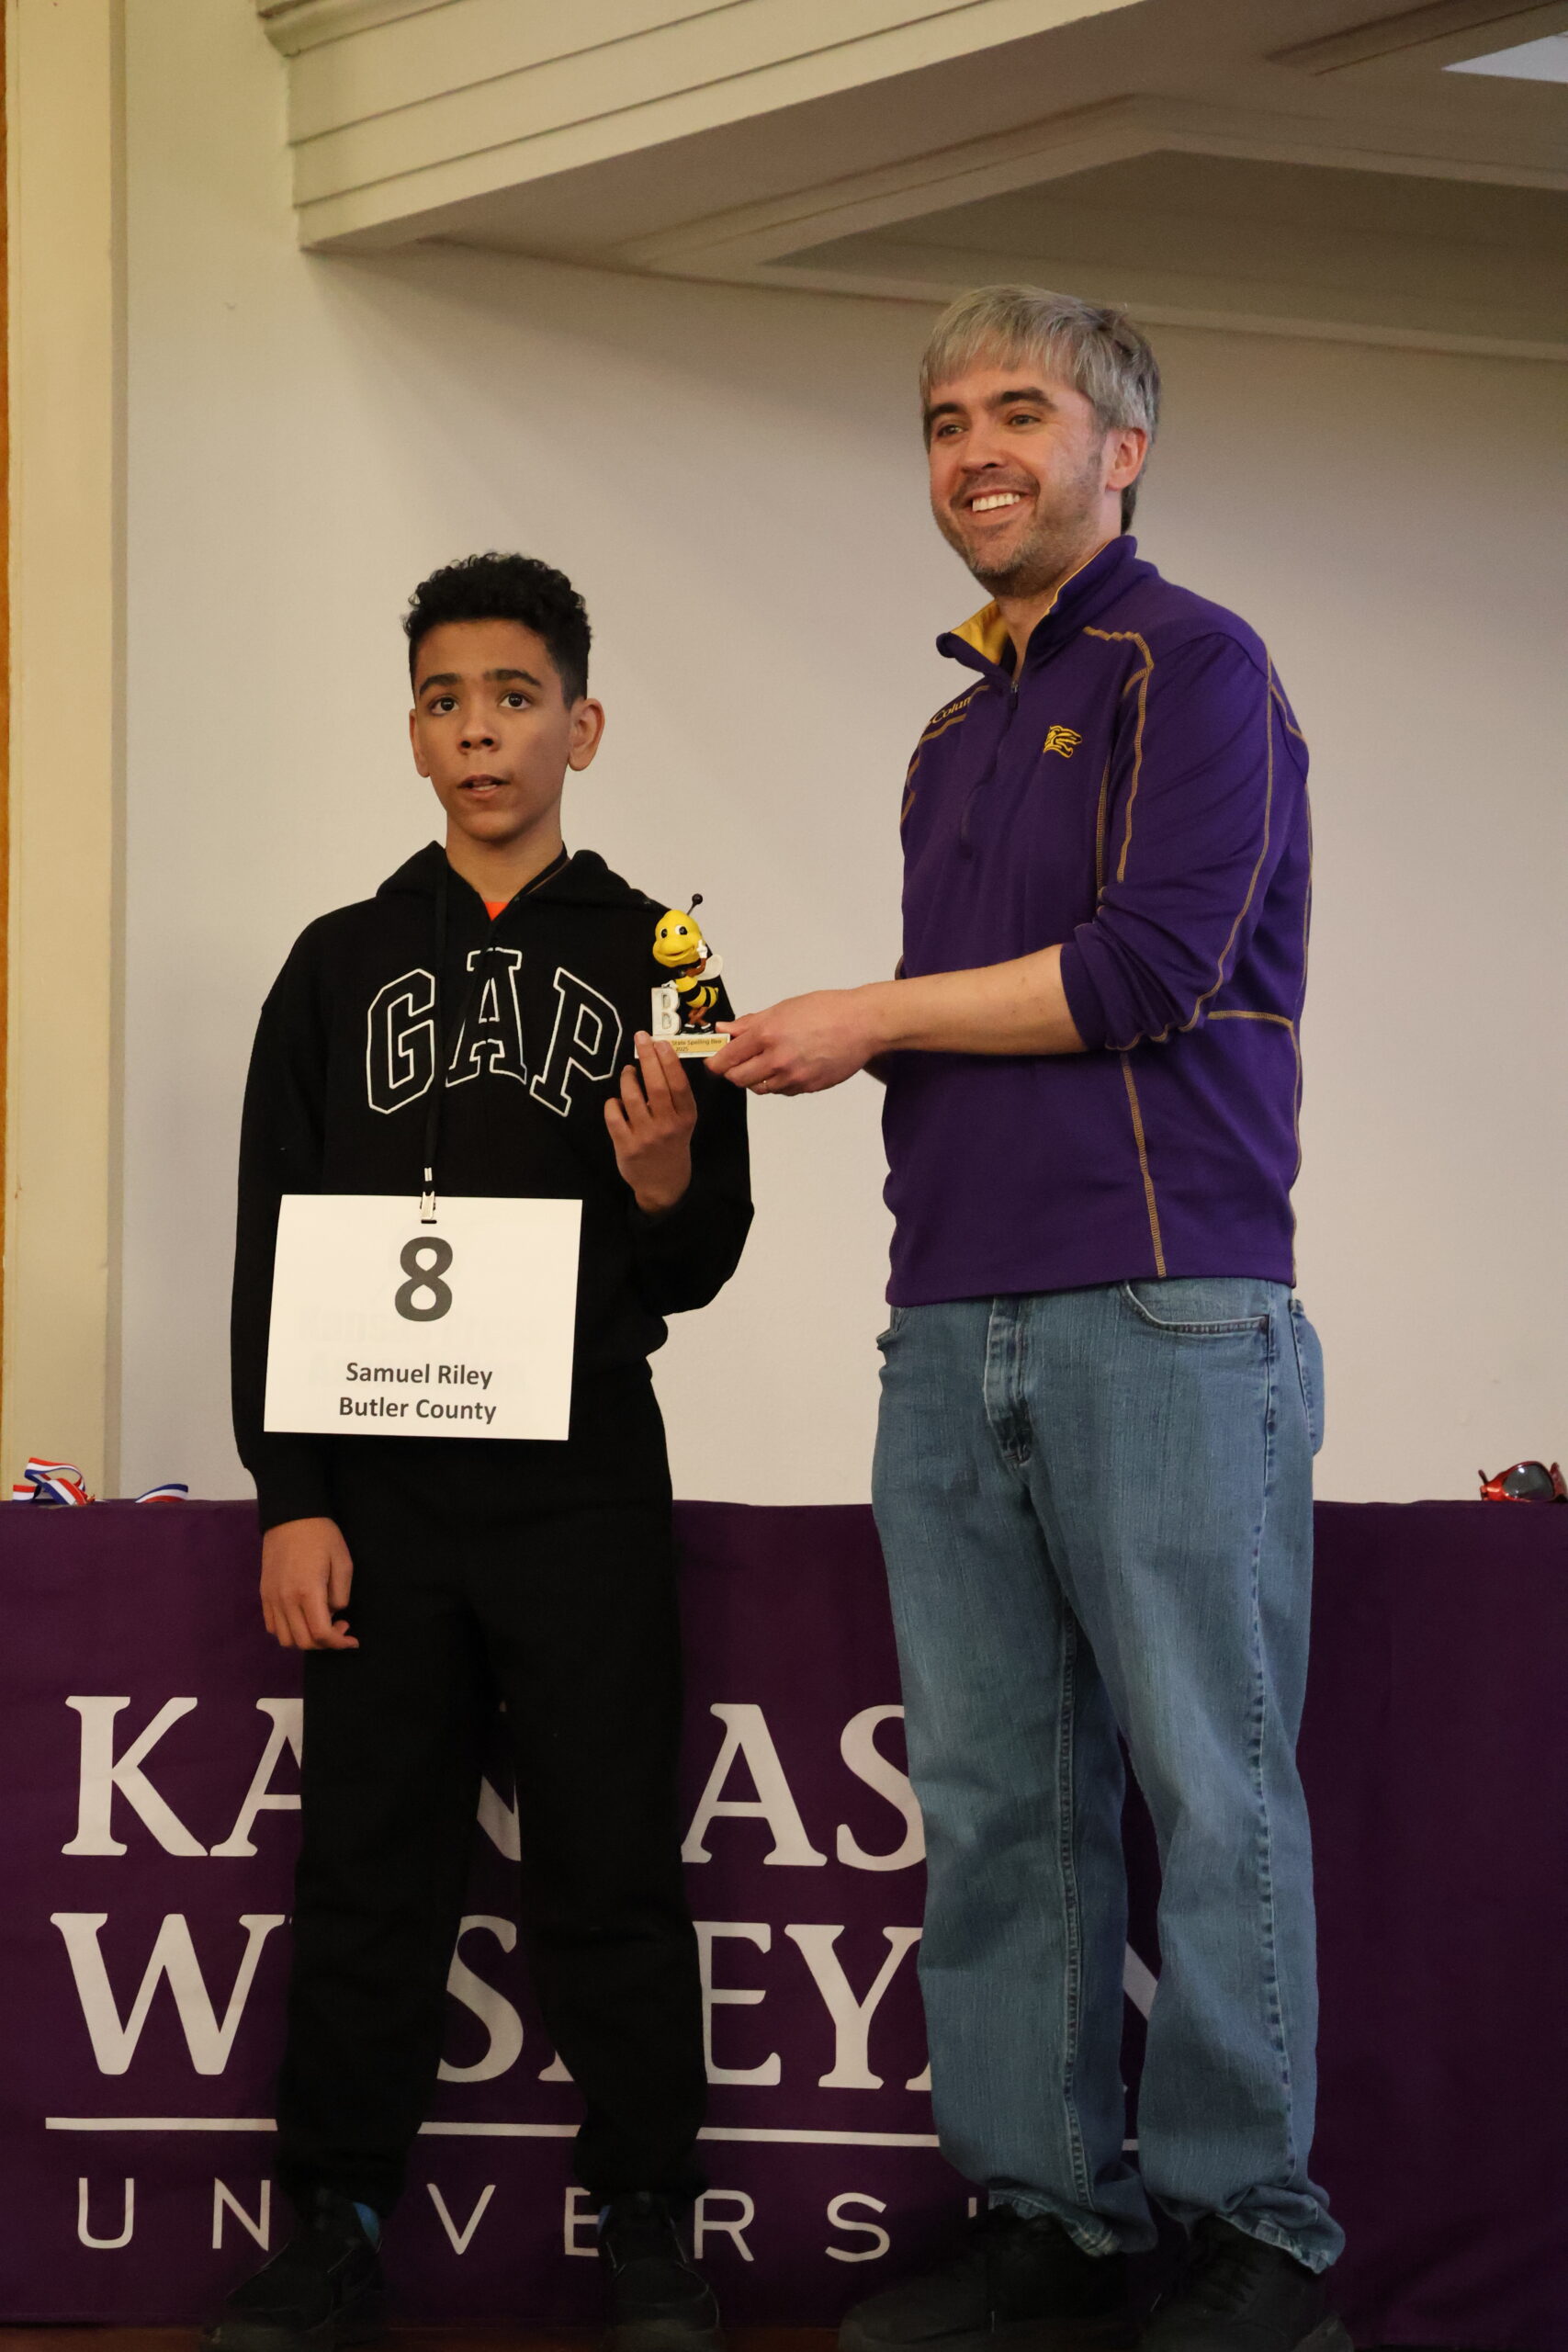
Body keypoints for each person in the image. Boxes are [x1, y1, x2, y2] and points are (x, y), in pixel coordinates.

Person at [710, 286, 1347, 2352]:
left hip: (1163, 1309)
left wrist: (866, 1010)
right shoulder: (949, 731)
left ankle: (1252, 2237)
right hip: (947, 1317)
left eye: (1019, 409)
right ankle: (1043, 2222)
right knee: (991, 1797)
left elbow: (1146, 971)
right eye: (940, 420)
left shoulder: (1198, 663)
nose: (972, 448)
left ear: (1121, 450)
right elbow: (981, 1035)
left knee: (1208, 1782)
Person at [219, 553, 750, 2352]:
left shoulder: (660, 954)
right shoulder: (335, 961)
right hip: (379, 1489)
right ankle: (330, 2224)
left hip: (585, 1475)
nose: (480, 729)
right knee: (371, 1862)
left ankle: (653, 2234)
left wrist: (670, 1184)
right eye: (447, 698)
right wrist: (290, 1488)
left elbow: (703, 1250)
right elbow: (271, 1238)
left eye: (514, 696)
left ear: (578, 723)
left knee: (609, 1860)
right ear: (413, 730)